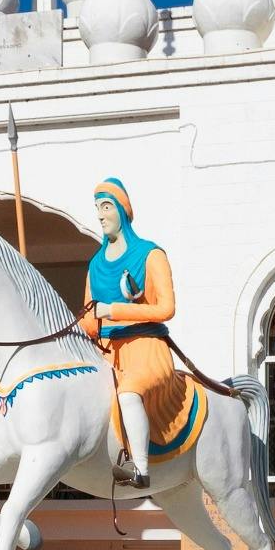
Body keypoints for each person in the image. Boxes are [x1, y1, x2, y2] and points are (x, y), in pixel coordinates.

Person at [78, 177, 192, 486]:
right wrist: (72, 327)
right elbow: (90, 318)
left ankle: (140, 469)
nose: (100, 215)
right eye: (97, 208)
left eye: (106, 207)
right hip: (108, 352)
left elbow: (166, 308)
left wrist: (114, 310)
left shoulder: (151, 255)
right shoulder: (95, 264)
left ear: (122, 210)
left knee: (128, 394)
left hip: (147, 348)